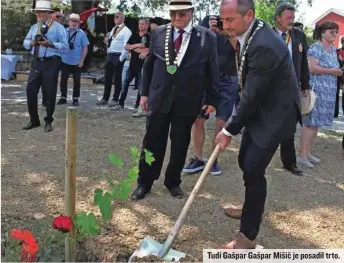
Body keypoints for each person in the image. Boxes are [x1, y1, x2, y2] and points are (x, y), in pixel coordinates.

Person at [215, 0, 301, 248]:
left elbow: (250, 96)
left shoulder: (264, 45)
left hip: (276, 114)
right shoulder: (250, 33)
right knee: (245, 160)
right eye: (223, 19)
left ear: (249, 15)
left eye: (230, 20)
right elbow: (250, 93)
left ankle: (248, 236)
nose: (225, 25)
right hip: (261, 107)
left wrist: (227, 129)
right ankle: (250, 206)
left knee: (253, 167)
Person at [130, 0, 219, 200]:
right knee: (152, 141)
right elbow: (150, 64)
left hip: (187, 99)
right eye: (172, 15)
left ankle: (173, 182)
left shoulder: (206, 37)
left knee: (180, 142)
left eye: (181, 14)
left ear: (191, 13)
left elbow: (212, 70)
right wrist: (144, 93)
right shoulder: (159, 32)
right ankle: (144, 182)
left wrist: (212, 98)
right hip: (158, 97)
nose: (176, 19)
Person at [183, 15, 239, 176]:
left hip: (229, 78)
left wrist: (227, 32)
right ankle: (198, 158)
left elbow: (239, 50)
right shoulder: (207, 20)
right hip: (206, 78)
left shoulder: (232, 23)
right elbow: (195, 47)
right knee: (198, 118)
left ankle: (214, 160)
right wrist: (209, 31)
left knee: (221, 121)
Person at [298, 21, 343, 168]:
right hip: (316, 92)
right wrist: (332, 71)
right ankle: (302, 155)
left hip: (327, 94)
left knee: (315, 125)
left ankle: (308, 152)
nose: (335, 34)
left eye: (336, 32)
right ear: (323, 33)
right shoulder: (316, 48)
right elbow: (311, 68)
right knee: (309, 124)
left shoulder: (332, 49)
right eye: (332, 32)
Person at [23, 0, 68, 132]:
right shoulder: (34, 27)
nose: (39, 14)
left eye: (41, 12)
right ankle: (34, 120)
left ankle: (48, 120)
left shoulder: (59, 28)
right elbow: (25, 42)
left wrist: (50, 43)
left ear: (49, 13)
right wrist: (31, 43)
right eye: (37, 12)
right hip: (36, 62)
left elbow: (64, 46)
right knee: (30, 90)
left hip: (51, 62)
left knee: (49, 92)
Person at [112, 18, 150, 114]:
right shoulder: (134, 35)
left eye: (142, 24)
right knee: (125, 84)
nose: (140, 26)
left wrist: (133, 48)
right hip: (132, 64)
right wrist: (137, 45)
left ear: (147, 25)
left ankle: (137, 106)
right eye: (139, 24)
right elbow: (126, 46)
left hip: (142, 66)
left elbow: (147, 50)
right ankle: (121, 104)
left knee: (140, 87)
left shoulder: (149, 37)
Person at [97, 12, 132, 107]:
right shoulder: (114, 28)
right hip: (110, 55)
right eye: (114, 17)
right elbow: (113, 41)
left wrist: (121, 58)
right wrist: (107, 42)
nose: (115, 18)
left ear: (123, 19)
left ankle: (115, 98)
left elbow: (126, 46)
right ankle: (105, 97)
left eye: (117, 17)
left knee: (117, 78)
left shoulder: (126, 31)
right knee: (107, 77)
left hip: (118, 56)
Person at [57, 13, 89, 106]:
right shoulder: (63, 31)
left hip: (77, 61)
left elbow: (85, 48)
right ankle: (63, 97)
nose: (74, 23)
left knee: (77, 81)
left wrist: (82, 60)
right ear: (69, 22)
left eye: (76, 21)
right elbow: (59, 44)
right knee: (63, 80)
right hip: (64, 60)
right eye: (72, 21)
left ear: (79, 23)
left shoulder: (82, 34)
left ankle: (75, 98)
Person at [334, 36, 344, 118]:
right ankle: (335, 112)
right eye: (343, 41)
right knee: (335, 92)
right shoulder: (336, 51)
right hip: (337, 74)